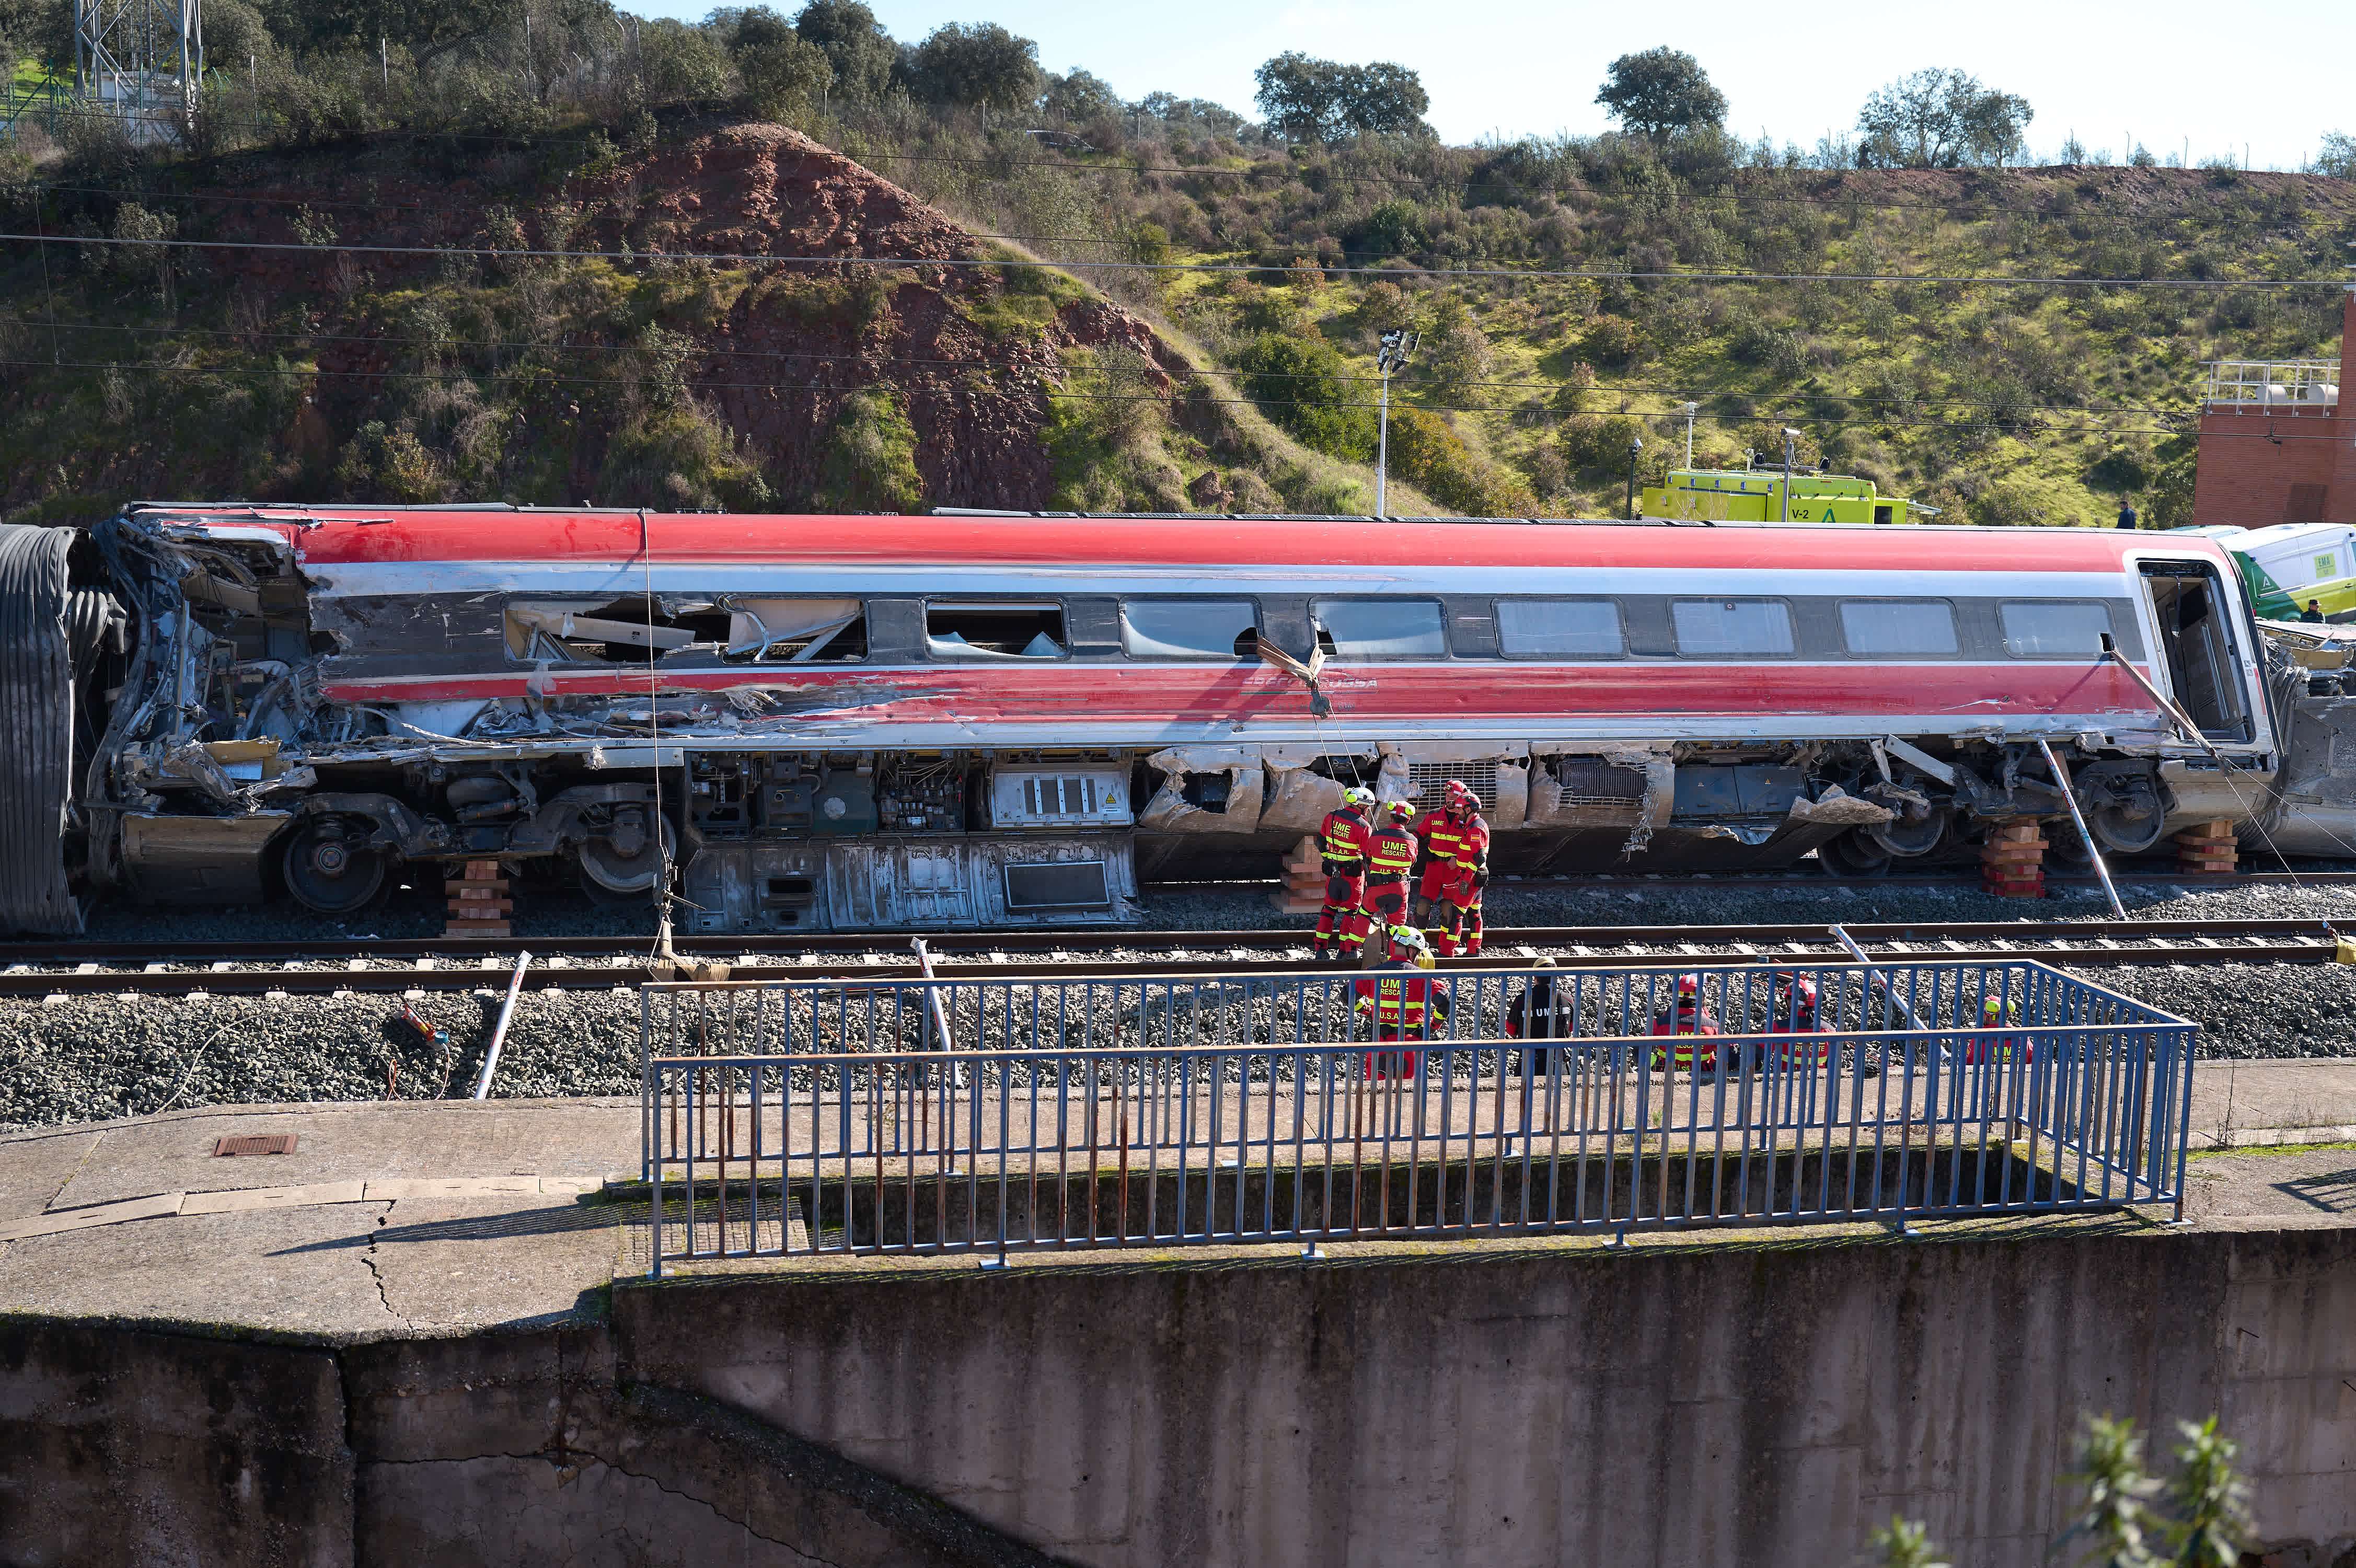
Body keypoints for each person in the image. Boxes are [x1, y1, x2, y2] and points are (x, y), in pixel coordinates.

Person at [1353, 924, 1452, 1080]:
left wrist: (1366, 1010)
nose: (1418, 957)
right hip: (1410, 1045)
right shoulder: (1421, 976)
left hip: (1379, 1044)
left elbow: (1347, 996)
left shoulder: (1373, 974)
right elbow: (1445, 1001)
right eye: (1418, 953)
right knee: (1408, 1098)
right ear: (1411, 950)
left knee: (1376, 1096)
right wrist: (1433, 1026)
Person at [1413, 779, 1491, 952]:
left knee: (1449, 910)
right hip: (1434, 867)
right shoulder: (1434, 815)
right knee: (1423, 906)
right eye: (1448, 795)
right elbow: (1417, 835)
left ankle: (1445, 947)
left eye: (1454, 796)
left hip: (1455, 870)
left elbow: (1474, 850)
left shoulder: (1467, 820)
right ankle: (1417, 945)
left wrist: (1458, 859)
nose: (1450, 799)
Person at [1313, 785, 1376, 961]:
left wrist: (1328, 859)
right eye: (1368, 806)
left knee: (1328, 910)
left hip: (1333, 874)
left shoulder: (1331, 816)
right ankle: (1344, 951)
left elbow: (1320, 842)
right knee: (1351, 912)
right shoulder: (1364, 826)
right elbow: (1367, 856)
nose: (1369, 810)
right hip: (1352, 876)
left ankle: (1320, 949)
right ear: (1362, 806)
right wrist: (1372, 878)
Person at [1353, 800, 1419, 964]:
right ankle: (1394, 960)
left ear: (1391, 816)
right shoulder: (1412, 841)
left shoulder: (1376, 836)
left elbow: (1368, 857)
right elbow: (1412, 862)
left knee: (1364, 914)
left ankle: (1350, 950)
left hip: (1376, 888)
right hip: (1399, 890)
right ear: (1409, 820)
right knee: (1397, 927)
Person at [1648, 972, 1720, 1072]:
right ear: (1702, 994)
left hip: (1667, 1077)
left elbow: (1639, 1050)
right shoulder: (1713, 1026)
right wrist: (1714, 1069)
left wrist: (1655, 1065)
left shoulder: (1659, 1024)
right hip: (1702, 1078)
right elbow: (1733, 1055)